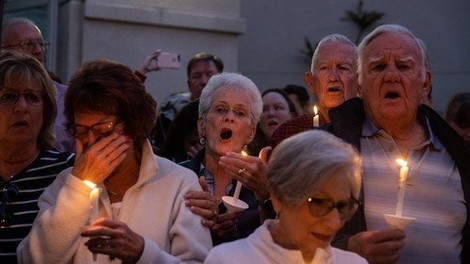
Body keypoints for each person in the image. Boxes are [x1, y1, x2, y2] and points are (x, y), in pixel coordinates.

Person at [17, 59, 212, 263]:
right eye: (81, 131)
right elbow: (31, 259)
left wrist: (144, 253)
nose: (92, 142)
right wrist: (78, 191)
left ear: (133, 124)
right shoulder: (65, 184)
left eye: (103, 130)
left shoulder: (179, 183)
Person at [326, 24, 470, 263]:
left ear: (425, 83)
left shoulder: (460, 155)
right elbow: (291, 236)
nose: (391, 76)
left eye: (404, 66)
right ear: (360, 85)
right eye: (378, 66)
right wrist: (347, 251)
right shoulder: (327, 149)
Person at [205, 130, 367, 264]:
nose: (334, 222)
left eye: (343, 206)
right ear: (278, 197)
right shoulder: (228, 260)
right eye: (318, 203)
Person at [0, 50, 74, 263]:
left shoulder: (68, 173)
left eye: (33, 98)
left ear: (47, 110)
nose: (22, 108)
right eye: (8, 96)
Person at [182, 72, 271, 245]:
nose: (229, 117)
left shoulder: (262, 185)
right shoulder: (177, 177)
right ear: (202, 126)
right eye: (221, 109)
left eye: (239, 112)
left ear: (251, 133)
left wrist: (266, 194)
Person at [271, 33, 359, 147]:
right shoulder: (289, 134)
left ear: (360, 80)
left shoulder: (373, 129)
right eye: (324, 68)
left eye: (343, 68)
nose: (333, 77)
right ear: (311, 82)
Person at [1, 17, 74, 152]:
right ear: (4, 50)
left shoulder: (69, 98)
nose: (38, 50)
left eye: (41, 44)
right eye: (28, 44)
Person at [147, 52, 224, 150]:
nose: (204, 81)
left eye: (210, 75)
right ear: (189, 84)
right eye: (197, 76)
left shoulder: (233, 113)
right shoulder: (170, 111)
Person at [247, 88, 298, 156]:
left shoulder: (306, 149)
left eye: (278, 107)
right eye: (264, 109)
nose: (271, 113)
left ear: (292, 116)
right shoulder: (249, 155)